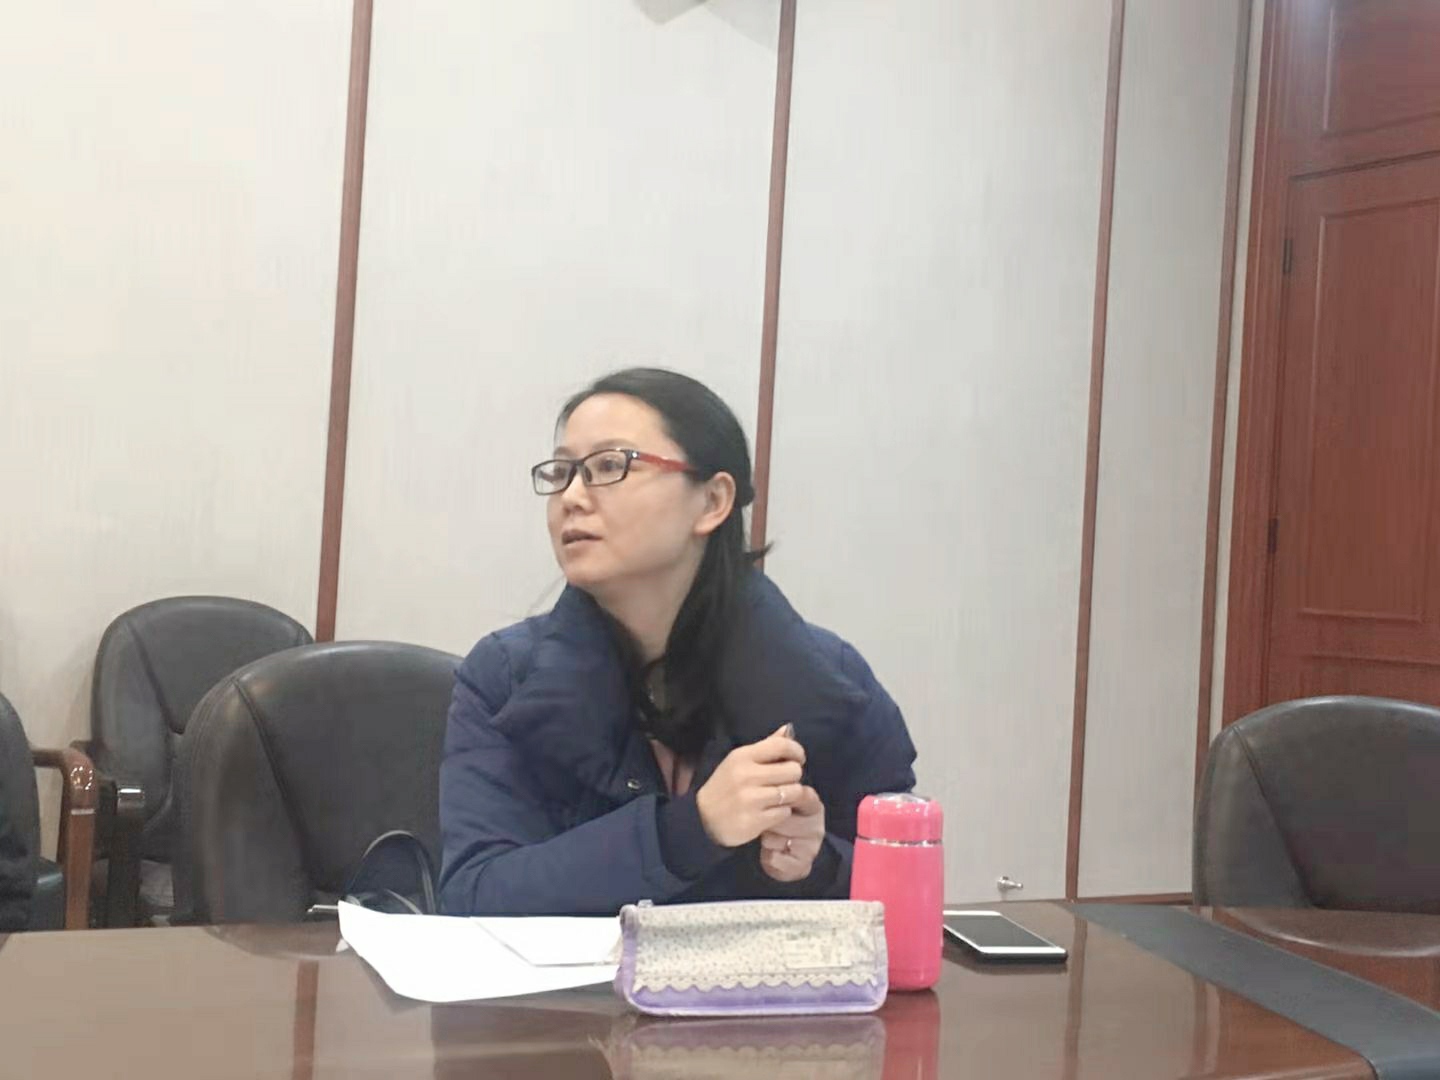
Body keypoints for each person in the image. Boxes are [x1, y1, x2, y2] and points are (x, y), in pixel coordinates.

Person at [438, 368, 917, 915]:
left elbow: (900, 890)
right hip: (571, 979)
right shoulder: (504, 677)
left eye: (610, 466)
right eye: (562, 471)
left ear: (712, 501)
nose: (571, 497)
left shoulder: (826, 681)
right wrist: (689, 830)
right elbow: (474, 894)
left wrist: (818, 863)